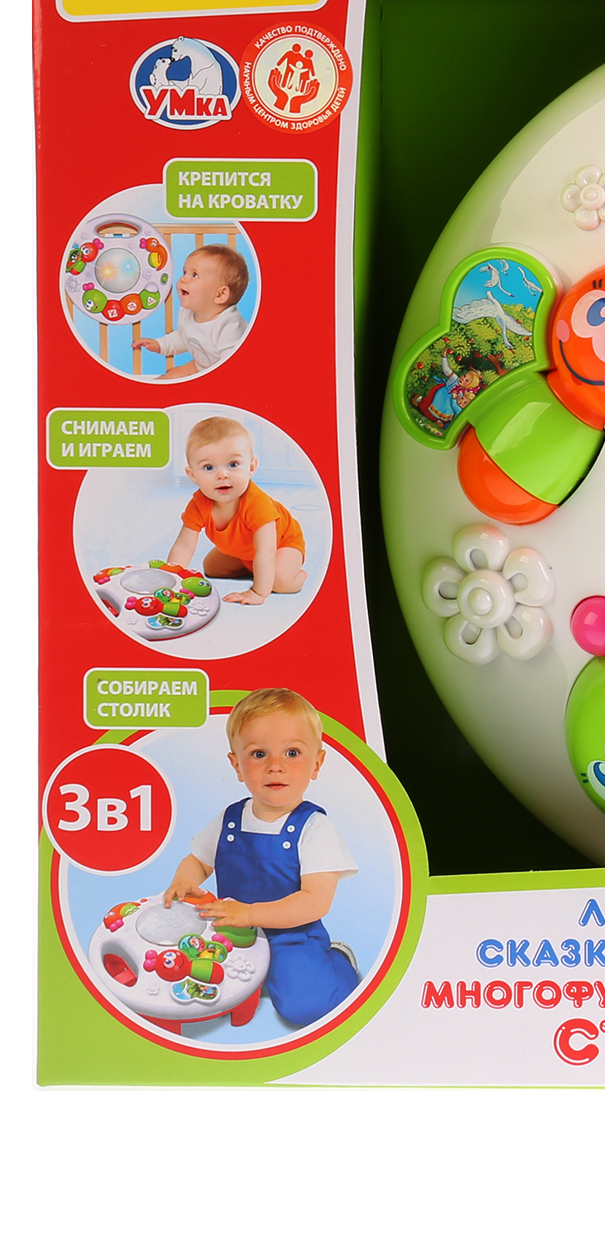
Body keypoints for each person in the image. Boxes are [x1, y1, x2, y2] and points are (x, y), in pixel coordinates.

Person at [161, 688, 360, 1029]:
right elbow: (198, 861)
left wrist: (250, 914)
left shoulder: (315, 828)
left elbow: (315, 902)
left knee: (306, 1006)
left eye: (292, 753)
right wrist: (184, 882)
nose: (275, 766)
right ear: (237, 765)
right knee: (189, 977)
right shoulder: (230, 819)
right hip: (228, 932)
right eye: (258, 754)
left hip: (291, 939)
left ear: (317, 763)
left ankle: (338, 962)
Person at [167, 416, 306, 605]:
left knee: (278, 581)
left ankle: (298, 576)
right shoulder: (199, 504)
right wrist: (171, 580)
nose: (222, 475)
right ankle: (254, 568)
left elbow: (266, 551)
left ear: (251, 467)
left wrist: (258, 592)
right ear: (193, 475)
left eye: (233, 464)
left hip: (282, 545)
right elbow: (184, 546)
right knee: (212, 568)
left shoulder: (257, 503)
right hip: (246, 550)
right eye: (208, 467)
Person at [133, 244, 249, 379]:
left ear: (220, 295)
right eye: (184, 272)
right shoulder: (187, 313)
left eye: (195, 275)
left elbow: (234, 366)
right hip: (202, 366)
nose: (183, 279)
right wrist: (160, 345)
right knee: (171, 376)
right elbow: (183, 337)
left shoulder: (229, 326)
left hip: (227, 376)